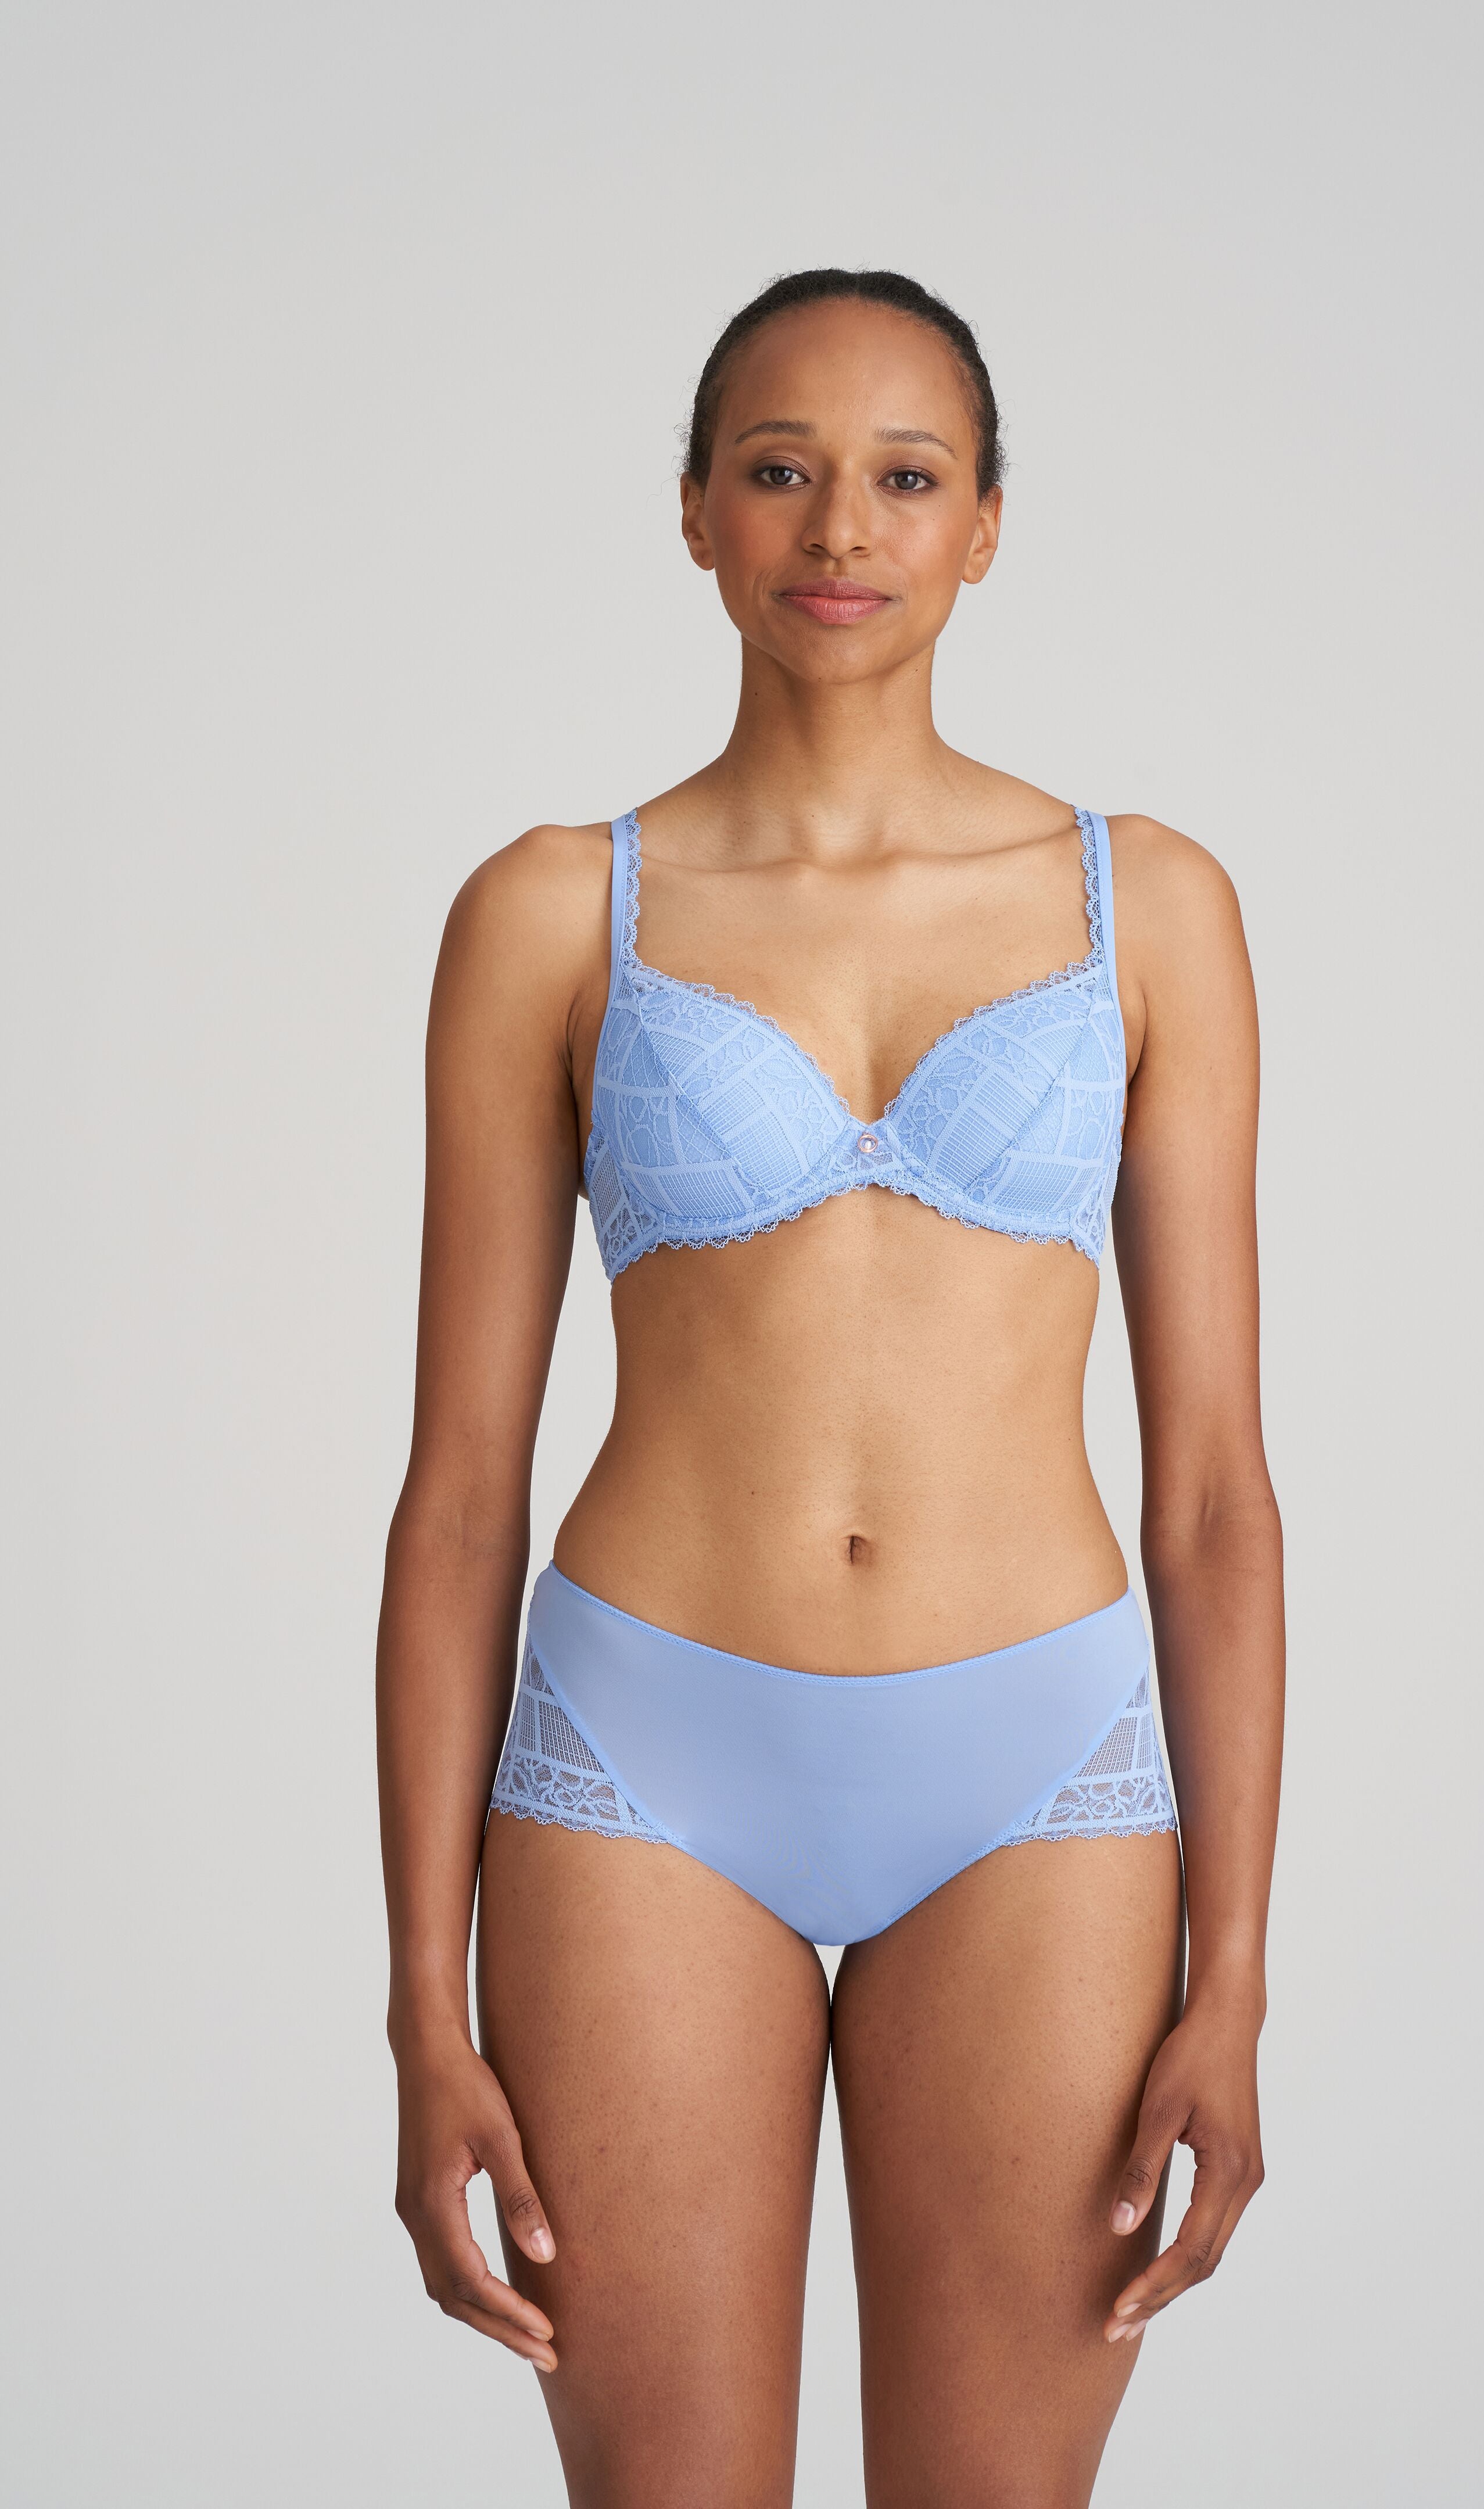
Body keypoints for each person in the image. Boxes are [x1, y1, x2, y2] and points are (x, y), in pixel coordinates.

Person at [377, 266, 1284, 2507]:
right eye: (779, 470)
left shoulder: (1149, 908)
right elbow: (460, 1494)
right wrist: (418, 2007)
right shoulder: (551, 913)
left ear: (988, 525)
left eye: (906, 475)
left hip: (1039, 1778)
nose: (841, 528)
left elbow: (1213, 1497)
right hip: (642, 1767)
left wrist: (1240, 1976)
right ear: (695, 512)